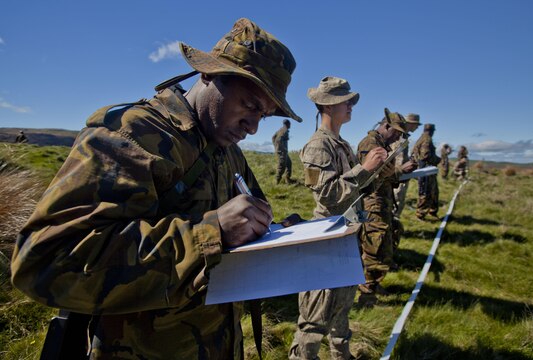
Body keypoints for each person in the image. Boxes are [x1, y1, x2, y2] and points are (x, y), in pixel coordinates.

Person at [11, 18, 302, 359]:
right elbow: (45, 261)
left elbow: (246, 226)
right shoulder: (132, 135)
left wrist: (282, 235)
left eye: (264, 115)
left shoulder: (229, 152)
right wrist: (210, 233)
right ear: (208, 73)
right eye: (250, 105)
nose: (253, 127)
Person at [289, 76, 387, 360]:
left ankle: (341, 355)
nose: (352, 106)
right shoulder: (319, 146)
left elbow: (355, 190)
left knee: (342, 309)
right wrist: (364, 168)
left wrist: (377, 169)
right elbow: (330, 196)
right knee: (315, 315)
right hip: (326, 240)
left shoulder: (340, 143)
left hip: (345, 236)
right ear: (329, 106)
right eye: (347, 101)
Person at [356, 108, 416, 304]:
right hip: (372, 203)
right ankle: (366, 292)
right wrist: (400, 169)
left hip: (381, 201)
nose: (398, 137)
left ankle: (373, 284)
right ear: (386, 126)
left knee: (385, 240)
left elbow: (384, 175)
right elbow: (368, 177)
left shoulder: (381, 145)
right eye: (396, 132)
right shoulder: (371, 144)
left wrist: (398, 171)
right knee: (375, 244)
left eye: (401, 134)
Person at [390, 113, 421, 267]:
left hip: (396, 180)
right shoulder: (401, 139)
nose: (416, 128)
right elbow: (398, 163)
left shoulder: (403, 138)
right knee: (393, 216)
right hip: (397, 182)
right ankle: (387, 254)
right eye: (416, 124)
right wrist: (406, 168)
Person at [411, 123, 441, 220]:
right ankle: (420, 214)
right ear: (432, 131)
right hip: (426, 171)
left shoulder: (422, 138)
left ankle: (431, 211)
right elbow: (425, 155)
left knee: (433, 192)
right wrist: (437, 160)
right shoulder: (426, 139)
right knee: (426, 192)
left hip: (426, 171)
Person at [272, 118, 292, 184]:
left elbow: (273, 137)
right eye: (290, 124)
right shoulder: (285, 130)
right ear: (288, 124)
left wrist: (276, 147)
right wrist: (282, 148)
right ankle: (277, 182)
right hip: (282, 152)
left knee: (289, 164)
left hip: (282, 151)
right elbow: (279, 139)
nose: (290, 125)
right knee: (282, 166)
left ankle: (287, 180)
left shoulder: (280, 130)